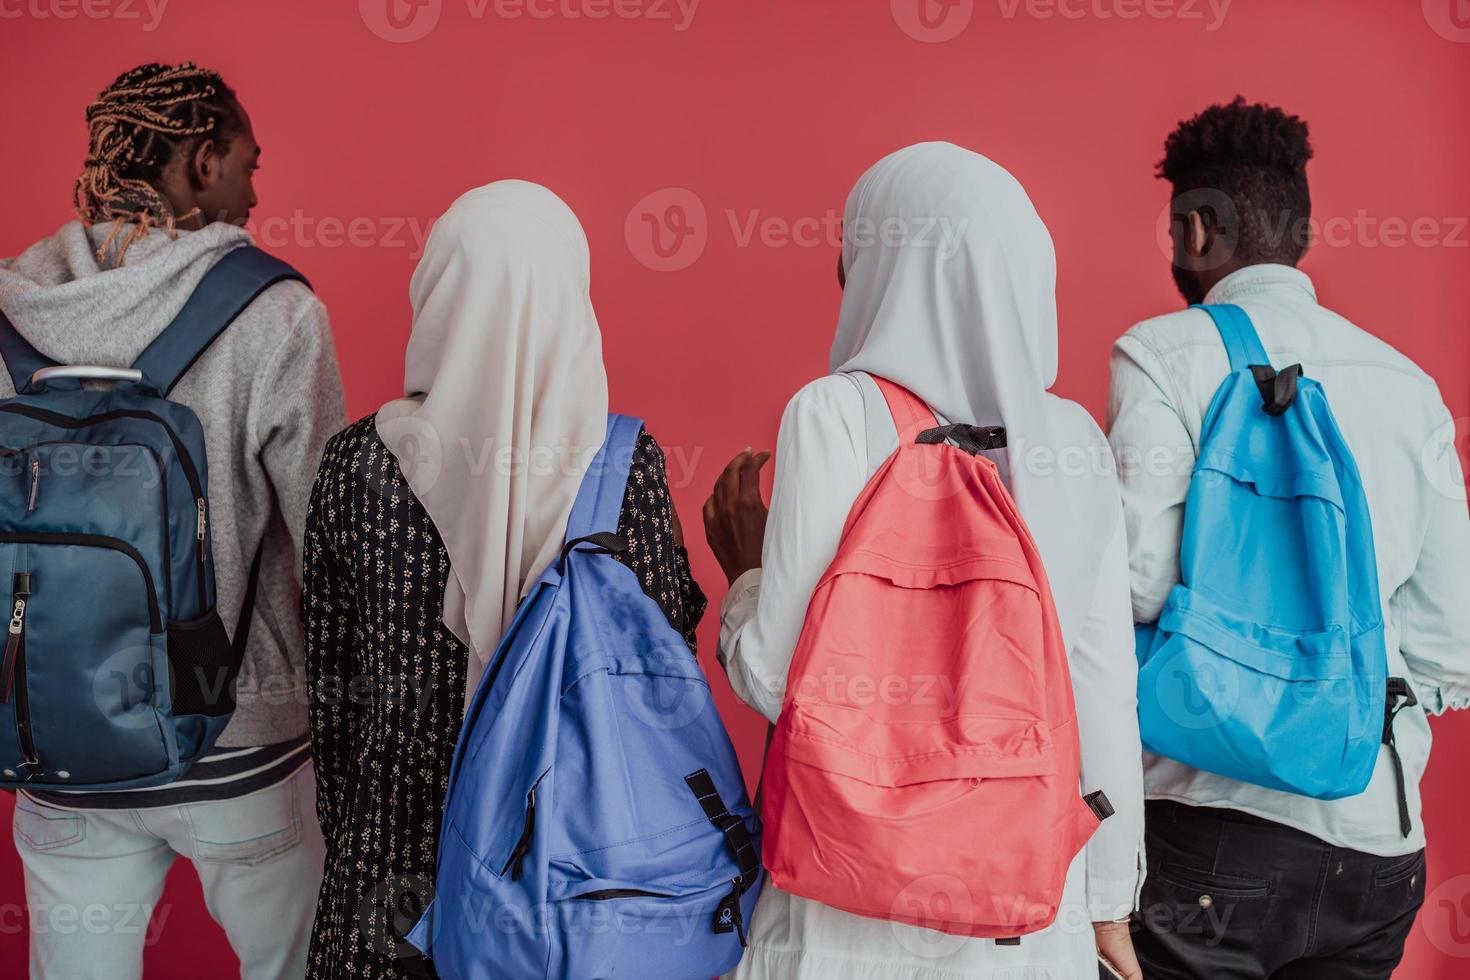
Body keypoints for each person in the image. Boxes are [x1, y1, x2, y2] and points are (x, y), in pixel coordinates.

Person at [703, 142, 1146, 980]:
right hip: (1027, 928)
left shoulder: (834, 416)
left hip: (846, 918)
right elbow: (1100, 696)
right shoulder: (1077, 443)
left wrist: (745, 577)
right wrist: (1109, 903)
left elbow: (781, 686)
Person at [302, 180, 707, 980]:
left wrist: (351, 840)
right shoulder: (625, 470)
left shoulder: (358, 464)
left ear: (440, 292)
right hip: (576, 876)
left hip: (395, 867)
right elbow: (665, 669)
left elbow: (332, 685)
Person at [1109, 97, 1470, 979]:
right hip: (1380, 847)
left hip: (1212, 836)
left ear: (1199, 228)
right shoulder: (1408, 382)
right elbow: (1452, 641)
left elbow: (1136, 578)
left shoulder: (1164, 352)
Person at [0, 63, 345, 979]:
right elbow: (331, 540)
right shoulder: (275, 311)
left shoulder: (8, 306)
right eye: (246, 164)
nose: (255, 191)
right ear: (199, 163)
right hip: (241, 746)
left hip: (55, 742)